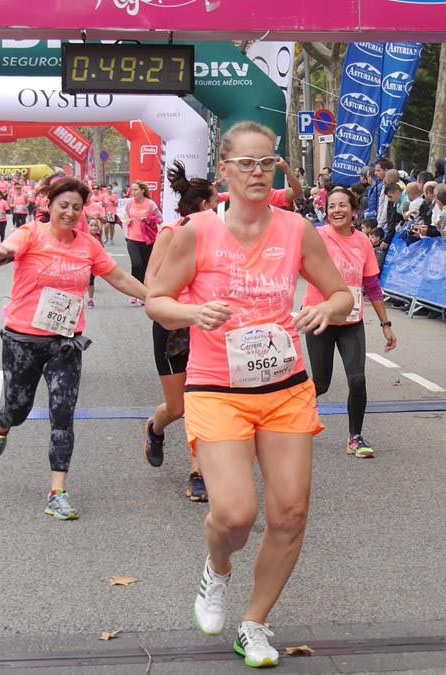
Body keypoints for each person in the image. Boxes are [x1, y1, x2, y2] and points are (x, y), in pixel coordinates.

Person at [146, 121, 353, 669]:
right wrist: (193, 313)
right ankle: (218, 568)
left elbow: (340, 292)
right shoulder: (195, 232)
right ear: (226, 172)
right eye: (247, 163)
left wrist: (322, 310)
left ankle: (254, 623)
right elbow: (157, 300)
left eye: (267, 162)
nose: (258, 172)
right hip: (218, 388)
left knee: (290, 512)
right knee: (235, 514)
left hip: (285, 387)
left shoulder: (296, 230)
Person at [0, 178, 148, 520]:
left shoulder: (88, 245)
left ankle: (57, 492)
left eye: (76, 207)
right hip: (23, 339)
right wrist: (2, 254)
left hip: (65, 343)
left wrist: (155, 296)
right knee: (19, 406)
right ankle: (2, 424)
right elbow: (1, 254)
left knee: (63, 414)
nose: (70, 212)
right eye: (64, 206)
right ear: (50, 206)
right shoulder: (30, 233)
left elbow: (118, 278)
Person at [142, 161, 218, 502]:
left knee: (202, 401)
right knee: (177, 407)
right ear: (203, 207)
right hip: (173, 328)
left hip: (208, 328)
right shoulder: (171, 233)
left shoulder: (220, 236)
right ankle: (154, 428)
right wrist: (182, 303)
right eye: (215, 205)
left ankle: (198, 472)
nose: (218, 211)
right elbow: (150, 285)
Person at [304, 187, 398, 458]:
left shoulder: (362, 242)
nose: (336, 210)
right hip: (319, 318)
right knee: (320, 383)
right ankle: (294, 417)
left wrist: (386, 324)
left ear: (354, 211)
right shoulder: (317, 236)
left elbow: (371, 285)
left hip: (351, 320)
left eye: (342, 205)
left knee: (357, 379)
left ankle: (355, 436)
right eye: (332, 206)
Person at [123, 181, 162, 303]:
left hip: (147, 240)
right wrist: (127, 220)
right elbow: (124, 215)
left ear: (142, 191)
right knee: (136, 264)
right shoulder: (129, 203)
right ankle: (134, 292)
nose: (133, 192)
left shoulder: (150, 204)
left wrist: (148, 220)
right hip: (132, 238)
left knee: (145, 266)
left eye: (135, 190)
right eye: (132, 190)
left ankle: (143, 294)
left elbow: (160, 219)